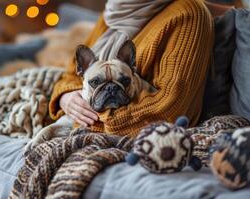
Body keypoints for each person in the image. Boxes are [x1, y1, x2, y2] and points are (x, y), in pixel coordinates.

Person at [49, 0, 214, 137]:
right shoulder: (114, 10)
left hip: (135, 131)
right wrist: (66, 97)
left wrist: (88, 120)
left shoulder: (188, 14)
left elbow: (169, 110)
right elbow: (70, 74)